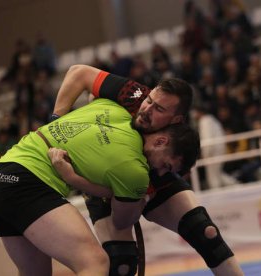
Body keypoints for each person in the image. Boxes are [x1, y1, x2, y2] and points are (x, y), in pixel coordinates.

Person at [52, 64, 244, 276]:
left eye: (159, 109)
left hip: (151, 182)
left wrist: (145, 192)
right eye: (150, 101)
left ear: (176, 120)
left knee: (205, 232)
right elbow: (79, 73)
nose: (147, 110)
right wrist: (55, 122)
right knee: (121, 262)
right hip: (110, 182)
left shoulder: (174, 148)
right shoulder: (135, 95)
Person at [0, 93, 199, 275]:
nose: (159, 172)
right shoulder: (136, 169)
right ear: (161, 141)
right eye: (166, 166)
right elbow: (122, 220)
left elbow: (80, 73)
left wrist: (56, 118)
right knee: (94, 262)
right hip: (26, 181)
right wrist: (143, 196)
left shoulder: (114, 109)